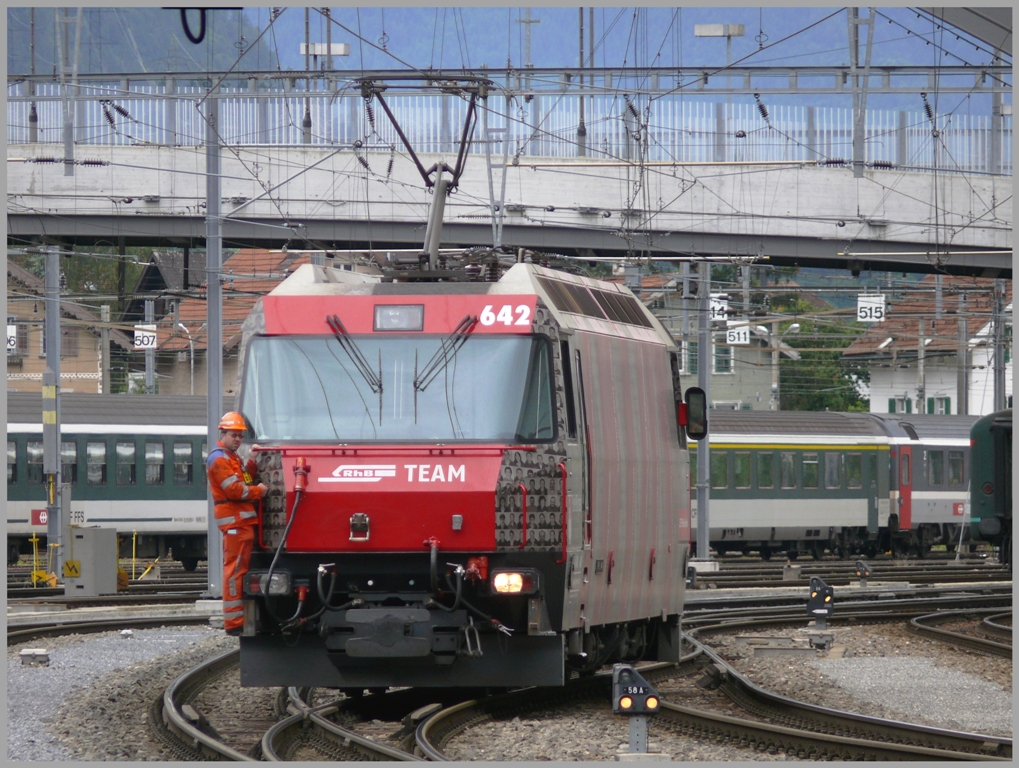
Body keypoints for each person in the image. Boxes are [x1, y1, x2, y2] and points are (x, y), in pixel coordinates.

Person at [207, 411, 267, 636]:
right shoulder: (219, 459)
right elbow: (235, 490)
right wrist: (258, 492)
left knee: (238, 571)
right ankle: (234, 623)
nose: (238, 439)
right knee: (234, 573)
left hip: (240, 523)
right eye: (234, 435)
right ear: (222, 433)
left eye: (240, 436)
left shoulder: (231, 458)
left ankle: (237, 619)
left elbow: (245, 479)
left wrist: (251, 461)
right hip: (236, 523)